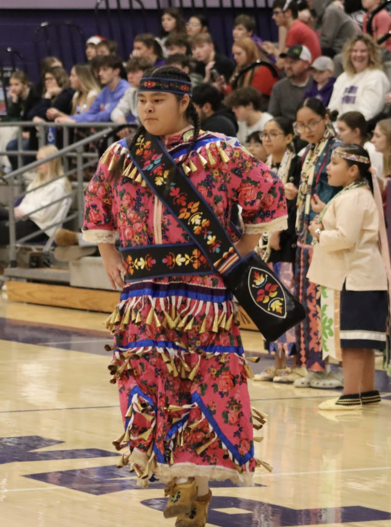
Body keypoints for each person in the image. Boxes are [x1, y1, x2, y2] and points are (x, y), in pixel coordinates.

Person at [83, 66, 286, 526]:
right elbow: (98, 203)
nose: (148, 109)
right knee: (147, 380)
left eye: (158, 101)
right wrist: (109, 251)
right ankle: (175, 476)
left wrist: (240, 253)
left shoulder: (219, 152)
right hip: (144, 290)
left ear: (184, 103)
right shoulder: (120, 154)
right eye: (142, 101)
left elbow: (268, 194)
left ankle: (198, 481)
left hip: (203, 291)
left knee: (206, 383)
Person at [308, 144, 389, 410]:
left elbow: (345, 237)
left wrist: (318, 233)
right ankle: (366, 392)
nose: (328, 168)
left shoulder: (354, 197)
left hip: (355, 277)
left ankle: (351, 395)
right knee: (362, 340)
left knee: (353, 341)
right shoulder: (355, 194)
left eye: (334, 163)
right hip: (361, 276)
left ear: (353, 170)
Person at [0, 145, 71, 294]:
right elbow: (26, 205)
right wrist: (21, 211)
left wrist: (23, 211)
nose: (38, 164)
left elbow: (45, 214)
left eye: (42, 160)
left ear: (53, 161)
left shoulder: (59, 185)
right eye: (37, 160)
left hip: (38, 227)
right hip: (24, 218)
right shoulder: (37, 182)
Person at [288, 98, 344, 388]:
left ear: (326, 118)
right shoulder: (308, 152)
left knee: (322, 303)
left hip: (326, 237)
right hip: (306, 237)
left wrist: (328, 209)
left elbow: (345, 189)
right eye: (302, 125)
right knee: (306, 302)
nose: (307, 129)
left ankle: (326, 366)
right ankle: (312, 366)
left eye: (313, 123)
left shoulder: (338, 150)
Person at [254, 117, 303, 382]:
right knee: (269, 300)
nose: (268, 139)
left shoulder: (296, 163)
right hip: (263, 243)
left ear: (288, 137)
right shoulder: (263, 167)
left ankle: (293, 363)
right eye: (265, 134)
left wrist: (277, 231)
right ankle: (277, 363)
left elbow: (292, 204)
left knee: (286, 298)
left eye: (274, 134)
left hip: (284, 242)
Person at [329, 34, 390, 121]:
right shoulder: (343, 77)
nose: (358, 54)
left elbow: (367, 114)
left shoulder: (377, 77)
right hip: (337, 128)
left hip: (358, 128)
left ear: (371, 54)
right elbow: (332, 109)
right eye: (354, 51)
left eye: (363, 51)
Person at [56, 55, 128, 123]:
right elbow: (91, 112)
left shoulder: (125, 90)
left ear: (116, 71)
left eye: (105, 70)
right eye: (100, 70)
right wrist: (70, 119)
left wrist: (76, 121)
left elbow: (107, 114)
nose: (100, 73)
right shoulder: (105, 90)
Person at [264, 0, 322, 65]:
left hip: (309, 72)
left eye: (276, 13)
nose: (273, 17)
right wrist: (273, 50)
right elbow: (285, 59)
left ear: (288, 12)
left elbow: (282, 64)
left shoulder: (295, 30)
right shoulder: (297, 27)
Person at [220, 38, 277, 102]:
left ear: (249, 52)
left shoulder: (264, 69)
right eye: (234, 54)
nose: (235, 57)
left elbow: (257, 97)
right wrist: (224, 87)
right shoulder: (241, 68)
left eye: (238, 54)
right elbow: (236, 90)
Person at [268, 45, 314, 120]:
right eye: (286, 62)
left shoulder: (318, 83)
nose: (288, 66)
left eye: (293, 62)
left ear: (306, 64)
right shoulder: (279, 87)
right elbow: (273, 118)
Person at [335, 111, 384, 175]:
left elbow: (377, 179)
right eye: (338, 129)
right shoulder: (344, 149)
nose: (338, 134)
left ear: (356, 132)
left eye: (342, 130)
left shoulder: (372, 150)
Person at [112, 56, 153, 125]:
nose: (130, 76)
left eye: (135, 72)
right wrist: (120, 120)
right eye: (128, 72)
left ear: (146, 73)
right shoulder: (130, 91)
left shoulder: (155, 92)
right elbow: (117, 111)